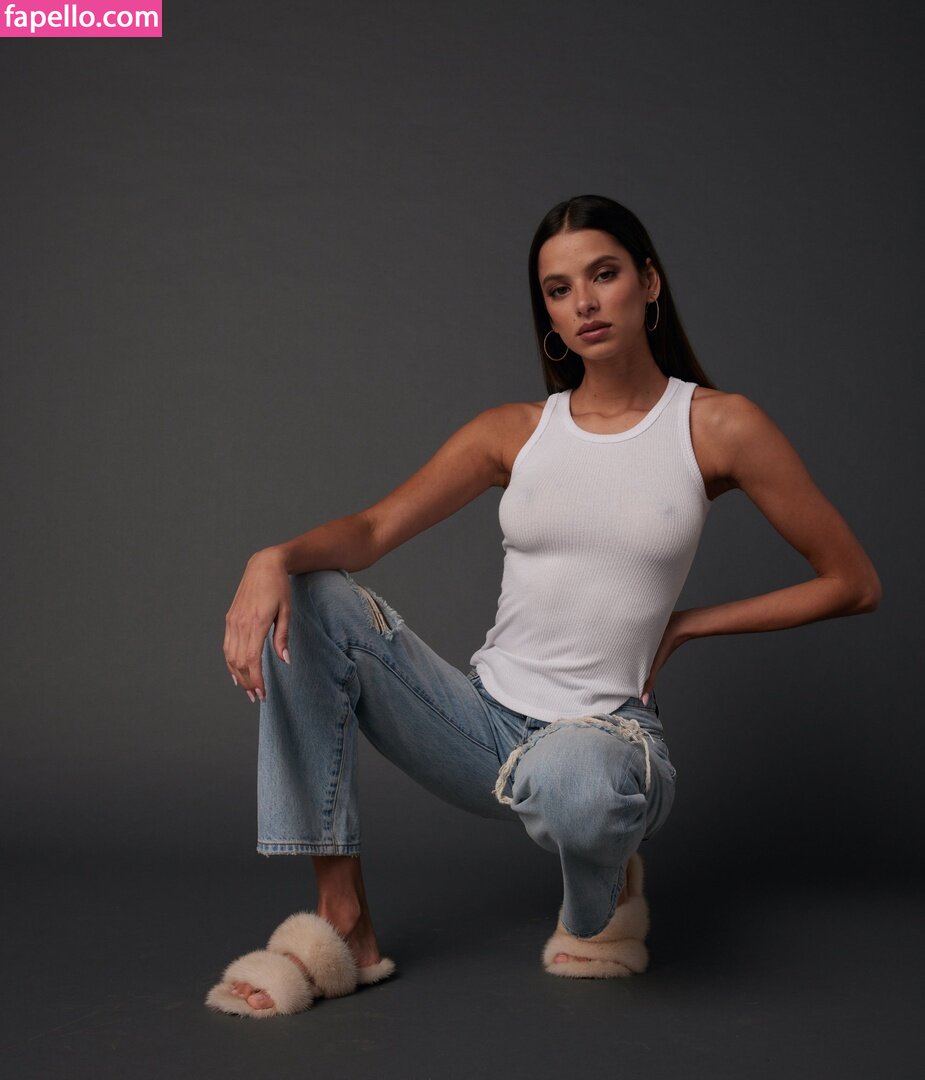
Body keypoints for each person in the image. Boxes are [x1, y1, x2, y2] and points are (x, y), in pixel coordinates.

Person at [205, 194, 881, 1017]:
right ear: (549, 315)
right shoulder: (516, 431)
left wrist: (690, 624)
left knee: (575, 776)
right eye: (559, 290)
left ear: (648, 282)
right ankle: (344, 922)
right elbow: (373, 529)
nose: (584, 302)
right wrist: (270, 559)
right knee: (309, 595)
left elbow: (851, 581)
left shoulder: (715, 426)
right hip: (479, 727)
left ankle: (600, 899)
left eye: (603, 275)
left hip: (607, 739)